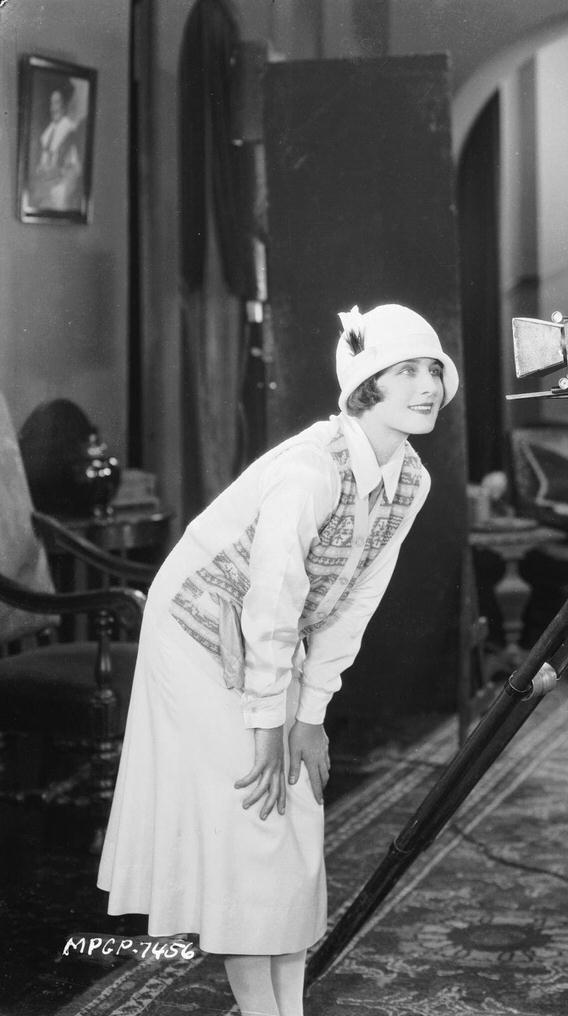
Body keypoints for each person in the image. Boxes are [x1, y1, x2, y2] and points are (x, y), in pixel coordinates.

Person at [98, 304, 459, 1016]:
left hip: (271, 636)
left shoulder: (410, 481)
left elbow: (351, 604)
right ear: (366, 386)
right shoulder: (309, 471)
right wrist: (270, 721)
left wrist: (311, 715)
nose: (426, 386)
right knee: (252, 816)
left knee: (296, 820)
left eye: (433, 370)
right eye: (405, 371)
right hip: (196, 633)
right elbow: (270, 601)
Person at [30, 77, 82, 212]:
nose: (53, 108)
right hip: (42, 188)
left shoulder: (70, 132)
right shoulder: (48, 132)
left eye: (57, 103)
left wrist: (60, 189)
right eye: (51, 103)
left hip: (57, 193)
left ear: (65, 105)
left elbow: (75, 170)